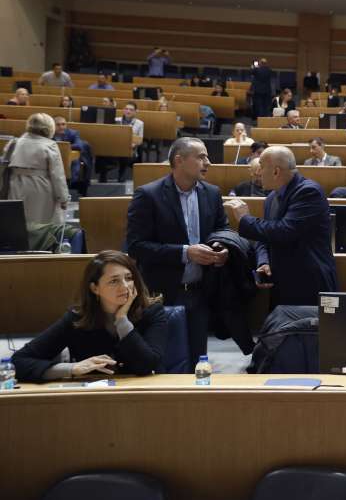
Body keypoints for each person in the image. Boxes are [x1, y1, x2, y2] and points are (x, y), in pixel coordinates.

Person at [125, 138, 229, 364]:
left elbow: (223, 231)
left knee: (197, 360)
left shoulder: (212, 193)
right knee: (162, 360)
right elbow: (135, 247)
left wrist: (222, 249)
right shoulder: (148, 195)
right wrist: (184, 252)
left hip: (200, 291)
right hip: (161, 293)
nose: (208, 162)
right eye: (201, 157)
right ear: (179, 160)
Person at [11, 250, 168, 382]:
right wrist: (72, 368)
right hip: (94, 399)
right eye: (114, 281)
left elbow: (147, 365)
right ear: (95, 288)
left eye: (128, 278)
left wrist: (122, 320)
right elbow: (20, 361)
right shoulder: (78, 319)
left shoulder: (152, 312)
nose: (125, 286)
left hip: (145, 396)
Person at [224, 146, 338, 307]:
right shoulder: (271, 197)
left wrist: (245, 219)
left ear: (276, 171)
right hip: (281, 285)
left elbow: (285, 231)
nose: (258, 172)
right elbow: (264, 238)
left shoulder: (308, 192)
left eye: (261, 166)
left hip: (308, 284)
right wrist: (263, 262)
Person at [3, 113, 70, 224]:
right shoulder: (50, 145)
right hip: (41, 187)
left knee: (17, 222)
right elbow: (57, 175)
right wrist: (63, 198)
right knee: (39, 224)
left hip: (15, 184)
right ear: (49, 127)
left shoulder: (14, 143)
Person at [53, 115, 92, 195]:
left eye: (63, 124)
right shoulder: (48, 133)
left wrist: (64, 147)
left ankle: (71, 182)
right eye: (58, 125)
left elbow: (79, 146)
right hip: (54, 158)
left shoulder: (73, 133)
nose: (61, 127)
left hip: (69, 159)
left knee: (75, 161)